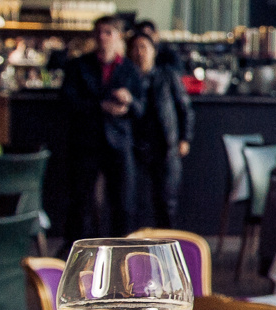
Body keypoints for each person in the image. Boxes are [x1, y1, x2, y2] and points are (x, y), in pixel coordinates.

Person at [61, 15, 141, 238]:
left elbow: (142, 108)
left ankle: (123, 251)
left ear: (118, 36)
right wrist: (100, 106)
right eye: (99, 32)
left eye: (108, 32)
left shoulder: (129, 69)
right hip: (87, 141)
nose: (102, 37)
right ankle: (78, 253)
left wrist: (128, 103)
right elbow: (67, 102)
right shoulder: (79, 66)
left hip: (119, 141)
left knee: (123, 202)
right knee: (81, 201)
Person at [129, 31, 193, 227]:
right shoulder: (127, 77)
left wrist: (185, 138)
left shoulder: (168, 76)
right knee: (135, 205)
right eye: (135, 48)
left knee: (166, 203)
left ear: (153, 51)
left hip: (166, 147)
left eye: (144, 47)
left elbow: (185, 109)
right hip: (136, 148)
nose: (139, 52)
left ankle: (168, 251)